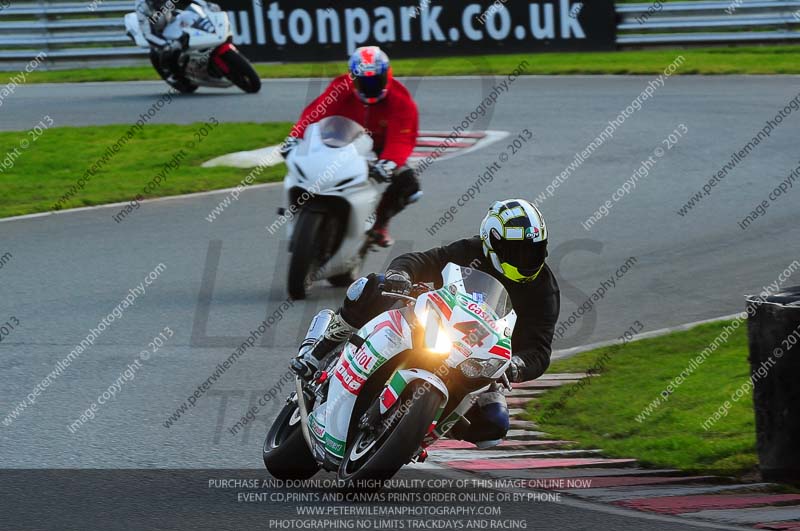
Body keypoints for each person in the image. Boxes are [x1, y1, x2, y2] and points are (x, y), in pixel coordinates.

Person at [291, 199, 561, 447]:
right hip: (436, 326)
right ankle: (322, 347)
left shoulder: (544, 290)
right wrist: (401, 274)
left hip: (481, 359)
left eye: (534, 250)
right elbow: (422, 260)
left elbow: (540, 349)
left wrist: (517, 366)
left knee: (494, 425)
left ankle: (419, 431)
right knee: (374, 285)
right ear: (492, 243)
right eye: (517, 250)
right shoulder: (470, 251)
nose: (526, 258)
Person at [280, 45, 421, 248]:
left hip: (380, 148)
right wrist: (295, 136)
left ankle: (379, 224)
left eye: (374, 79)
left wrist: (389, 163)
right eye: (363, 80)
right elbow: (316, 113)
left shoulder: (401, 100)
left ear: (387, 75)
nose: (369, 85)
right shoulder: (341, 87)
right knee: (304, 164)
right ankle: (301, 209)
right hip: (341, 140)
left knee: (409, 183)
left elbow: (401, 139)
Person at [135, 0, 220, 80]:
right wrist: (166, 45)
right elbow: (148, 35)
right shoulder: (142, 8)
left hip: (173, 19)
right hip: (158, 33)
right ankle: (177, 76)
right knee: (171, 50)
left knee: (191, 17)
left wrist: (206, 5)